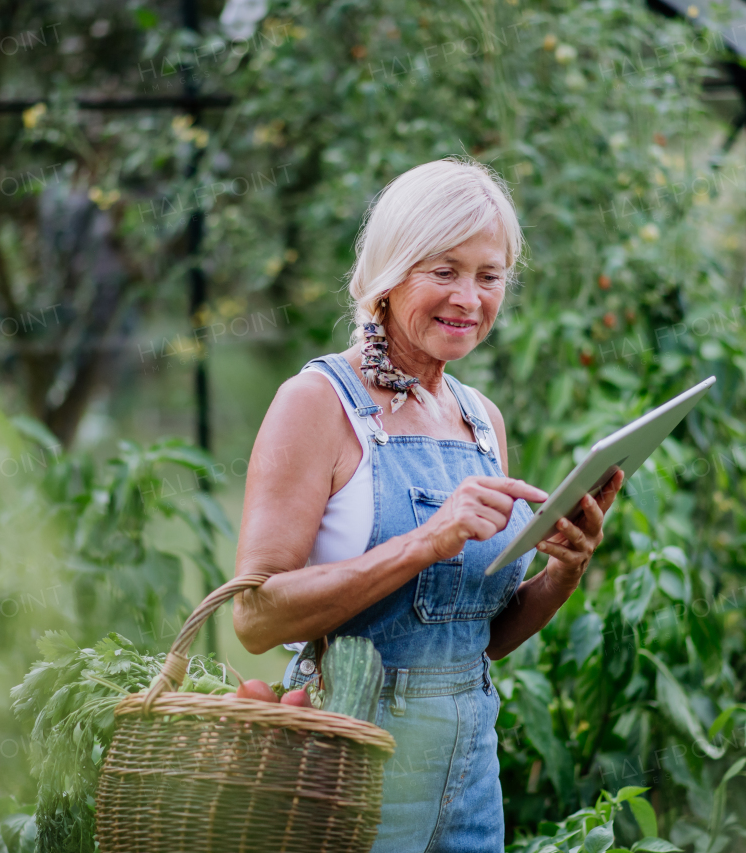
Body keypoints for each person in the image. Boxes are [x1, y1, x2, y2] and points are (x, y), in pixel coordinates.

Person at [232, 157, 624, 853]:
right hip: (349, 757)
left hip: (470, 772)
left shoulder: (480, 420)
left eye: (489, 275)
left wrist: (564, 570)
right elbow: (255, 615)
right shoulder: (318, 404)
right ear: (389, 275)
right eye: (443, 271)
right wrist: (425, 541)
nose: (469, 298)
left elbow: (475, 642)